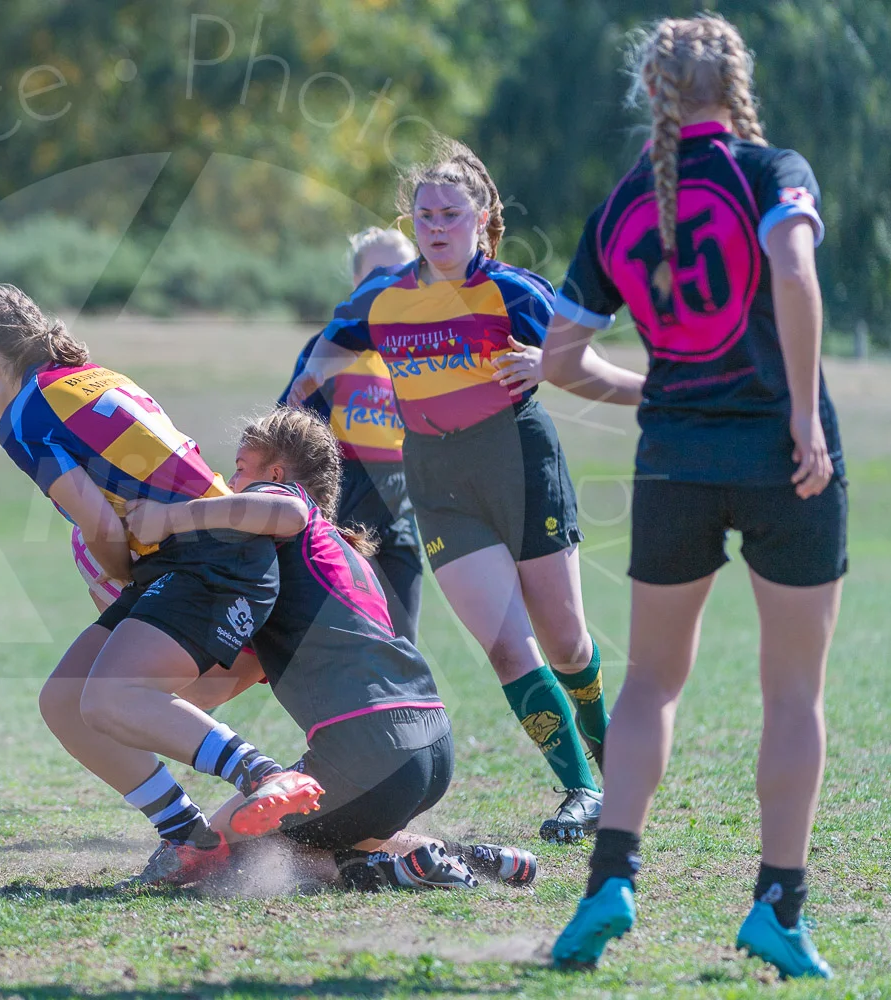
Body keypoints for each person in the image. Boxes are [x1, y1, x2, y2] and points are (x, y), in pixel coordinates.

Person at [542, 15, 844, 979]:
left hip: (673, 462)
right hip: (783, 460)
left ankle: (610, 882)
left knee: (650, 682)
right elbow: (794, 273)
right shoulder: (770, 169)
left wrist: (653, 389)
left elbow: (558, 356)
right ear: (736, 82)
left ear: (652, 92)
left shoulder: (625, 202)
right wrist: (804, 416)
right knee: (792, 691)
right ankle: (777, 907)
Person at [0, 284, 324, 885]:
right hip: (194, 557)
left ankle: (262, 774)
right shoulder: (91, 376)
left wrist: (116, 569)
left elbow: (96, 520)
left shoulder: (23, 414)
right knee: (66, 700)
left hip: (210, 560)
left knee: (107, 696)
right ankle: (191, 841)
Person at [287, 141, 609, 843]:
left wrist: (543, 362)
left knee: (566, 640)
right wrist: (304, 398)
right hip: (436, 481)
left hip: (520, 467)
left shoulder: (513, 290)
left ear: (482, 217)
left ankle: (613, 753)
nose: (436, 225)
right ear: (411, 222)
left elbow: (580, 354)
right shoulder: (384, 297)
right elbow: (328, 347)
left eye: (450, 213)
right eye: (424, 213)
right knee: (506, 647)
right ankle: (583, 788)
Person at [127, 407, 538, 892]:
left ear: (275, 473)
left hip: (368, 749)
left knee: (223, 851)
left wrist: (170, 519)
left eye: (240, 468)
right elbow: (207, 691)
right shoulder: (329, 558)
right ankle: (469, 860)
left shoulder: (285, 506)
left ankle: (382, 873)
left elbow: (286, 509)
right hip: (429, 744)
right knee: (338, 830)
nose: (230, 484)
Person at [280, 227, 424, 644]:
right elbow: (289, 427)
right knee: (340, 638)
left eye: (401, 271)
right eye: (378, 272)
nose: (389, 282)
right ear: (356, 283)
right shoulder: (330, 350)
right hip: (340, 506)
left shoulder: (424, 350)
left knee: (402, 639)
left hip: (400, 506)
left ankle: (409, 709)